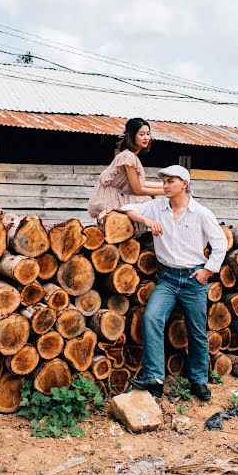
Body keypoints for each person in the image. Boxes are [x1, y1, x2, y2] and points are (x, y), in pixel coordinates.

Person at [121, 165, 227, 401]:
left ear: (184, 184)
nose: (165, 186)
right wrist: (147, 220)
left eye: (171, 181)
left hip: (193, 278)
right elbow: (127, 208)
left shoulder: (200, 212)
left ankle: (199, 381)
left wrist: (207, 272)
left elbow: (220, 244)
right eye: (164, 181)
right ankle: (155, 379)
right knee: (151, 318)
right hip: (168, 278)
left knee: (197, 331)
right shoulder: (157, 206)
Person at [88, 118, 164, 218]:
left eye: (148, 134)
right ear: (132, 136)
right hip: (105, 200)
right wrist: (166, 191)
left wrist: (164, 185)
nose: (146, 138)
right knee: (148, 200)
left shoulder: (130, 155)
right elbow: (138, 190)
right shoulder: (128, 157)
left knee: (151, 200)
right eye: (142, 134)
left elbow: (140, 183)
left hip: (113, 197)